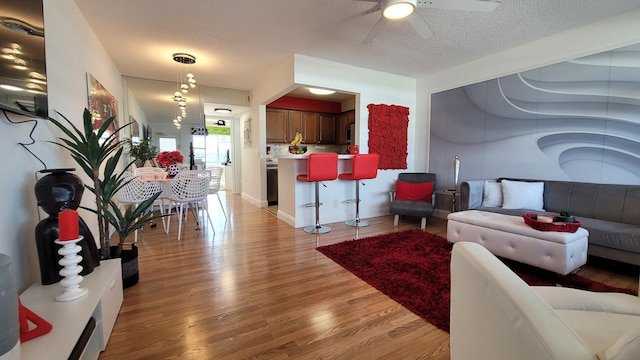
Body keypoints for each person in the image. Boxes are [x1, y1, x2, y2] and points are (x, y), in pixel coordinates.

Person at [34, 169, 100, 285]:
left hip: (85, 267)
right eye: (66, 192)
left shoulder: (75, 218)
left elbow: (90, 242)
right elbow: (46, 263)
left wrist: (95, 261)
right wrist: (49, 280)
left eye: (77, 194)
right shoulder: (45, 228)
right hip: (62, 278)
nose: (74, 199)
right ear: (42, 198)